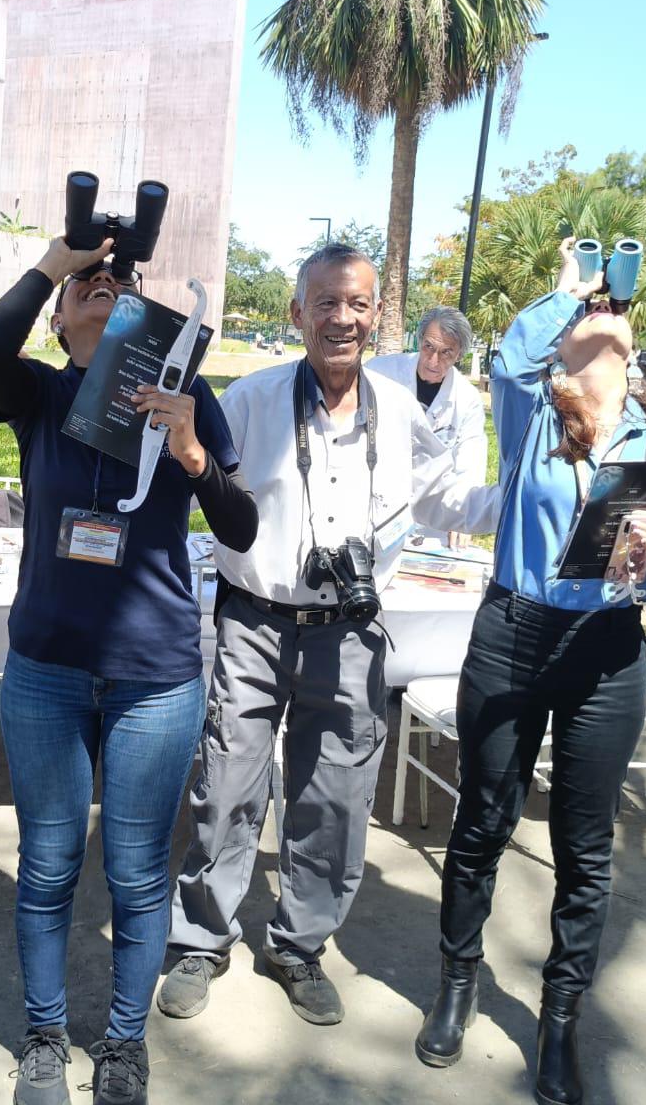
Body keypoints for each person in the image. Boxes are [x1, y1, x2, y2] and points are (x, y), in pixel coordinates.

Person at [160, 243, 498, 1029]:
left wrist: (533, 497)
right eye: (326, 303)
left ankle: (298, 946)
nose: (342, 318)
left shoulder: (403, 409)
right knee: (228, 786)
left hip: (350, 633)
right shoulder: (249, 397)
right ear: (297, 314)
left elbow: (450, 501)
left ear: (377, 315)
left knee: (336, 798)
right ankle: (202, 941)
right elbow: (207, 486)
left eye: (358, 304)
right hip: (254, 620)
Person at [0, 238, 258, 1105]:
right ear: (59, 323)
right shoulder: (42, 395)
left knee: (136, 873)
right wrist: (57, 259)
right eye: (83, 287)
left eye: (118, 279)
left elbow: (239, 530)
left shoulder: (187, 394)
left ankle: (125, 1044)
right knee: (49, 865)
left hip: (155, 678)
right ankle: (47, 1036)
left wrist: (193, 452)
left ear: (143, 312)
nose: (103, 285)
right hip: (48, 669)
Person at [414, 238, 646, 1105]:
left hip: (608, 651)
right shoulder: (530, 412)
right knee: (482, 824)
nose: (600, 317)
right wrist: (568, 292)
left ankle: (560, 1018)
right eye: (587, 317)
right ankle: (457, 985)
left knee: (585, 852)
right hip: (513, 634)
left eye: (615, 308)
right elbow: (507, 352)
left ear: (635, 341)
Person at [369, 307, 488, 544]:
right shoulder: (378, 373)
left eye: (446, 352)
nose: (434, 361)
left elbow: (470, 463)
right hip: (376, 503)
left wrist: (464, 518)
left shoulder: (467, 399)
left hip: (434, 517)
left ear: (459, 355)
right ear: (419, 340)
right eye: (429, 347)